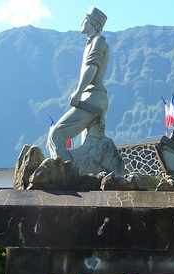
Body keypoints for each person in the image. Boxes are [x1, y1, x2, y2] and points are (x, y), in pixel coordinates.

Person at [46, 7, 109, 161]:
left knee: (57, 135)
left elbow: (91, 67)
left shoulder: (98, 41)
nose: (82, 21)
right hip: (93, 98)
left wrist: (79, 91)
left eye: (84, 18)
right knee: (90, 150)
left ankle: (63, 171)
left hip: (92, 97)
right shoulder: (92, 42)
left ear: (91, 22)